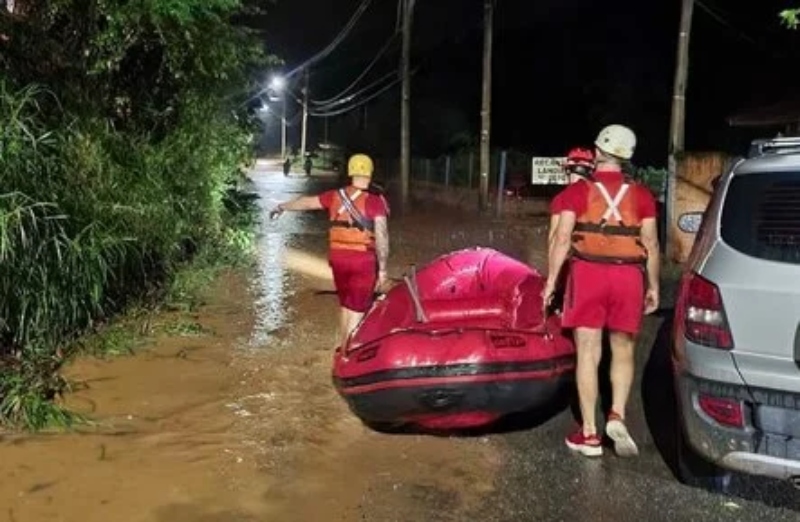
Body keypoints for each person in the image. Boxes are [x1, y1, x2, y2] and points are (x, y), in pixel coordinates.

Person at [542, 124, 660, 458]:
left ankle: (590, 433)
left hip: (588, 274)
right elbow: (651, 243)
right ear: (627, 157)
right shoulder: (642, 195)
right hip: (628, 277)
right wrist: (653, 286)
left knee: (588, 352)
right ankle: (617, 414)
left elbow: (561, 239)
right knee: (623, 349)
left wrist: (551, 282)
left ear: (597, 153)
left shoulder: (576, 193)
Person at [270, 153, 390, 349]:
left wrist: (282, 206)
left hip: (337, 259)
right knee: (358, 309)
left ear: (350, 173)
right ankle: (348, 352)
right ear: (370, 173)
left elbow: (306, 202)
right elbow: (382, 236)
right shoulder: (375, 201)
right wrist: (383, 269)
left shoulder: (335, 196)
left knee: (346, 306)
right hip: (362, 261)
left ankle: (342, 346)